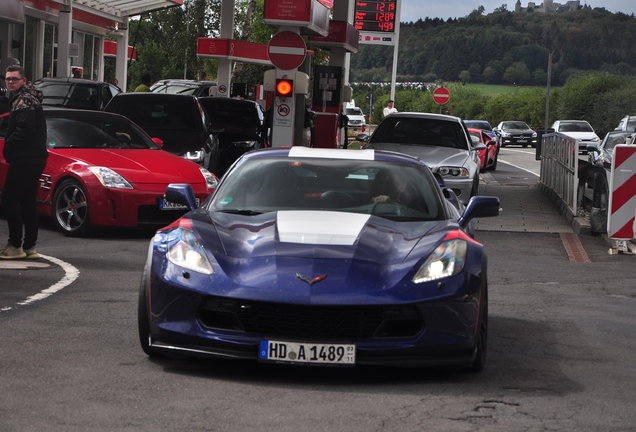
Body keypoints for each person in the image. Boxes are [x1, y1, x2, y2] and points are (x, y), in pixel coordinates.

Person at [0, 65, 48, 260]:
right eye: (8, 79)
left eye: (14, 79)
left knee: (9, 199)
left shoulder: (24, 101)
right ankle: (29, 246)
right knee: (28, 201)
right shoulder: (29, 98)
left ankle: (14, 245)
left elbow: (25, 130)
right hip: (35, 158)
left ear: (24, 81)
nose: (10, 82)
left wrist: (8, 146)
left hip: (25, 159)